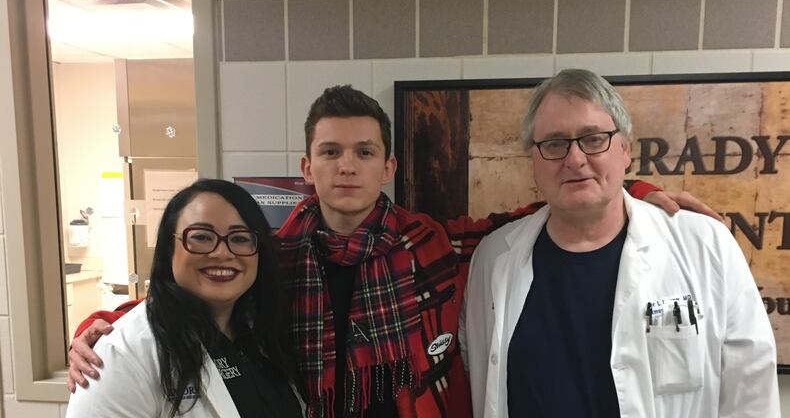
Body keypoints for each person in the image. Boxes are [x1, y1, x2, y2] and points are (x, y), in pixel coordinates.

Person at [66, 85, 720, 418]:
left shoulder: (433, 243)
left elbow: (539, 211)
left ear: (389, 166)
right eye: (330, 152)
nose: (346, 166)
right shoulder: (273, 254)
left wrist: (632, 188)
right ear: (307, 166)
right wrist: (97, 327)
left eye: (363, 152)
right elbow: (194, 295)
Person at [460, 69, 780, 418]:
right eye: (554, 143)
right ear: (533, 160)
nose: (575, 159)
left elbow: (752, 391)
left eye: (593, 138)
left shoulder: (706, 246)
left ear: (626, 149)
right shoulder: (492, 260)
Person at [66, 179, 303, 417]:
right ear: (169, 247)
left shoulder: (263, 330)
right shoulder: (120, 356)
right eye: (201, 237)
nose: (222, 252)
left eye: (240, 238)